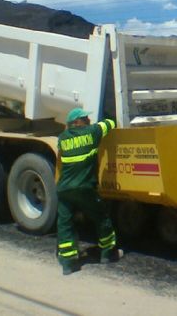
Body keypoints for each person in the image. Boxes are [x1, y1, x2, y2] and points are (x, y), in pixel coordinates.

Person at [56, 107, 121, 275]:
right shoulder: (92, 132)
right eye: (85, 118)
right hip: (84, 188)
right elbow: (111, 123)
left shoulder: (62, 138)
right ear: (77, 122)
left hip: (64, 189)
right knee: (101, 217)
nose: (89, 121)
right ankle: (108, 253)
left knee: (65, 224)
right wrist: (109, 115)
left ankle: (68, 263)